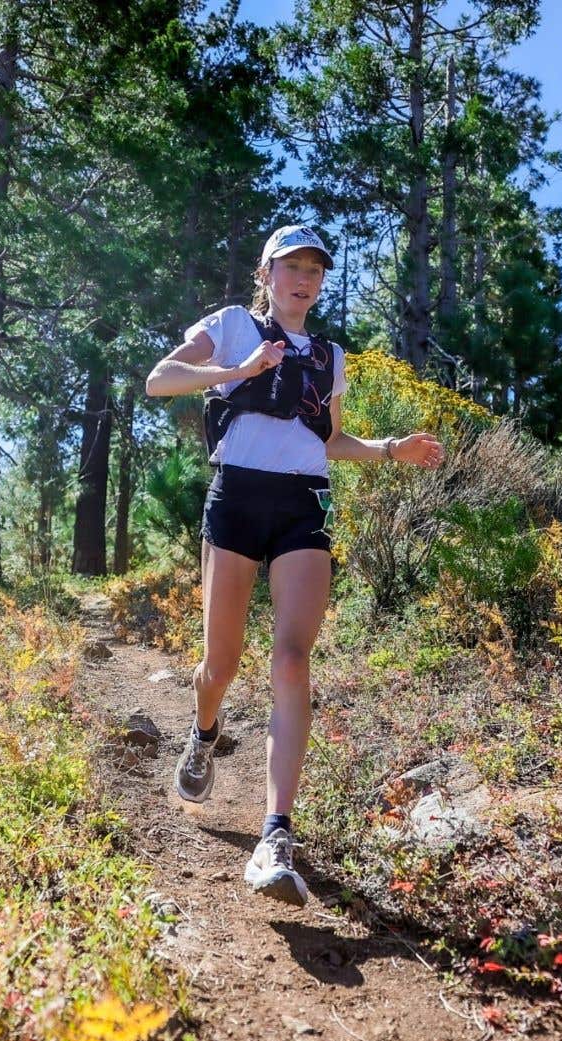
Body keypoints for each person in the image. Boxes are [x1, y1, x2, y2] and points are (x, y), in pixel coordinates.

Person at [145, 224, 445, 906]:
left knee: (291, 658)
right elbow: (160, 380)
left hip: (302, 504)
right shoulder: (228, 326)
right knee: (219, 665)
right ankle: (203, 731)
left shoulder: (330, 355)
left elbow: (330, 438)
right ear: (267, 273)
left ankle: (275, 831)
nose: (303, 279)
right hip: (236, 497)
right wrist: (235, 371)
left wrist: (391, 447)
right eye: (291, 268)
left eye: (314, 269)